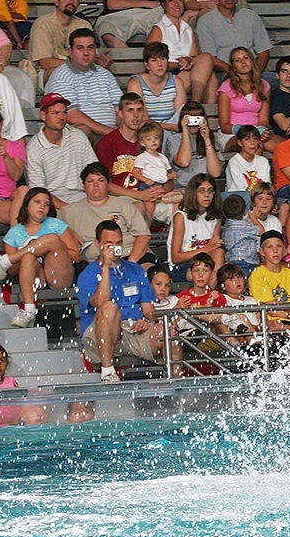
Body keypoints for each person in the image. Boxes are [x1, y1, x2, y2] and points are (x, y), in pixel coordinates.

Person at [76, 219, 177, 383]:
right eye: (108, 243)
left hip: (132, 330)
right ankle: (108, 371)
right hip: (99, 335)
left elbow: (148, 309)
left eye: (118, 243)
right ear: (98, 244)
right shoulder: (88, 274)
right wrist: (106, 267)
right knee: (109, 307)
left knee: (169, 332)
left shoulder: (135, 270)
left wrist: (145, 321)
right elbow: (101, 302)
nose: (114, 248)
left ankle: (177, 383)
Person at [0, 187, 79, 328]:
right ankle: (29, 310)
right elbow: (12, 271)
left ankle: (3, 262)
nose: (42, 206)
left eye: (46, 204)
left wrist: (48, 250)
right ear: (27, 205)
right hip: (34, 278)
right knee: (28, 256)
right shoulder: (14, 233)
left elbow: (76, 256)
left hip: (58, 275)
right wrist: (33, 253)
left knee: (52, 239)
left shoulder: (56, 224)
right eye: (37, 202)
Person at [59, 162, 154, 265]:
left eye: (101, 181)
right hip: (94, 263)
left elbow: (144, 236)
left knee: (148, 272)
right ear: (83, 186)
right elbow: (54, 231)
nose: (95, 185)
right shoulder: (69, 212)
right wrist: (69, 231)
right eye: (90, 181)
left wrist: (130, 265)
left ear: (108, 184)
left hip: (131, 256)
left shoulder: (125, 204)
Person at [43, 27, 122, 138]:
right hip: (86, 137)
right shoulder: (61, 76)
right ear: (70, 51)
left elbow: (120, 109)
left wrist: (124, 133)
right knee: (82, 130)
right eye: (80, 48)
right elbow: (72, 116)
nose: (86, 53)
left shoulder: (105, 74)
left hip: (111, 134)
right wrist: (112, 134)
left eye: (90, 48)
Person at [146, 0, 216, 104]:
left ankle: (201, 112)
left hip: (187, 73)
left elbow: (195, 56)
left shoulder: (187, 29)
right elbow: (152, 61)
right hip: (166, 76)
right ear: (163, 4)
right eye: (171, 0)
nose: (176, 4)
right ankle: (195, 107)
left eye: (179, 0)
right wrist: (178, 64)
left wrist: (188, 60)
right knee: (210, 78)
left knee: (208, 66)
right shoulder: (158, 29)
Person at [25, 92, 97, 209]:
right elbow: (38, 191)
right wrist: (69, 209)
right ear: (43, 116)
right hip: (51, 202)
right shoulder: (34, 147)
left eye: (64, 112)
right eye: (55, 113)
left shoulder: (78, 136)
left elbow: (93, 171)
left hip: (83, 197)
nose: (61, 117)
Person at [28, 0, 101, 84]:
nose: (71, 2)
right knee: (60, 73)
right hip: (47, 72)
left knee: (101, 72)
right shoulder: (43, 23)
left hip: (81, 69)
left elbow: (90, 55)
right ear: (56, 1)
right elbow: (45, 62)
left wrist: (100, 60)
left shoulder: (83, 24)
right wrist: (77, 65)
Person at [196, 0, 271, 75]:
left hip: (254, 72)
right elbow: (211, 59)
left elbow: (264, 51)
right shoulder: (205, 22)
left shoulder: (251, 16)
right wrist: (238, 74)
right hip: (225, 74)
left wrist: (255, 75)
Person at [247, 230, 290, 331]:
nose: (275, 250)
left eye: (279, 246)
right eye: (270, 247)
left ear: (284, 250)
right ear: (262, 252)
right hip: (274, 323)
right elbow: (269, 308)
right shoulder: (257, 275)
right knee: (276, 325)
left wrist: (287, 314)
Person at [167, 174, 224, 283]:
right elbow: (176, 257)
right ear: (194, 193)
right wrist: (205, 249)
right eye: (202, 191)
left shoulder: (215, 218)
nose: (207, 195)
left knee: (220, 256)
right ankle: (211, 295)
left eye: (210, 191)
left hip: (207, 264)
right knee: (205, 268)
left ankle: (212, 295)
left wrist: (211, 248)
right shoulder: (181, 216)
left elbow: (215, 250)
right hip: (183, 266)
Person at [216, 46, 270, 151]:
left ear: (252, 61)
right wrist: (248, 132)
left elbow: (263, 119)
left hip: (257, 132)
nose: (243, 62)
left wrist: (261, 130)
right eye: (237, 60)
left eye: (246, 58)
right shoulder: (226, 87)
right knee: (254, 145)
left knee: (286, 146)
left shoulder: (264, 85)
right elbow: (224, 126)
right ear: (234, 66)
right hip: (232, 134)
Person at [126, 41, 185, 131]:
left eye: (163, 59)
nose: (159, 64)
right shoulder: (136, 82)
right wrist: (171, 127)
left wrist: (172, 128)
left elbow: (179, 117)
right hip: (145, 133)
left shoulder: (176, 81)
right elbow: (142, 120)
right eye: (154, 60)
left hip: (172, 133)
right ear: (147, 65)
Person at [131, 121, 182, 224]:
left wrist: (171, 175)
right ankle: (147, 227)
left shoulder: (162, 157)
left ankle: (172, 225)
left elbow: (167, 172)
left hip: (162, 184)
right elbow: (135, 172)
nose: (153, 141)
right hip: (148, 185)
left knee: (179, 198)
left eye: (156, 138)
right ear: (142, 142)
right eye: (149, 139)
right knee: (150, 204)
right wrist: (145, 179)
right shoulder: (142, 157)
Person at [94, 92, 146, 193]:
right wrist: (140, 196)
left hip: (148, 194)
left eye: (139, 110)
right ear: (121, 114)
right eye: (130, 110)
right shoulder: (106, 144)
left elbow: (164, 175)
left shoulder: (149, 140)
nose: (136, 115)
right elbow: (104, 184)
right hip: (119, 199)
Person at [165, 101, 222, 187]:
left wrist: (206, 139)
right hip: (183, 187)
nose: (193, 123)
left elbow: (216, 173)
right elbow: (184, 162)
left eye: (197, 119)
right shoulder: (174, 139)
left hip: (205, 188)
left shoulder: (210, 138)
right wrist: (185, 130)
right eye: (190, 119)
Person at [95, 0, 163, 49]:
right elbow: (112, 4)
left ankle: (154, 57)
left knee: (166, 17)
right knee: (106, 29)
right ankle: (130, 59)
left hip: (148, 13)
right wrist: (147, 3)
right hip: (118, 15)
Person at [215, 263, 260, 345]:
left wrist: (253, 327)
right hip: (239, 336)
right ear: (223, 286)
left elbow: (261, 323)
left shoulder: (252, 300)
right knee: (243, 319)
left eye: (239, 277)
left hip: (256, 333)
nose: (237, 281)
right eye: (231, 279)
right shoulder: (223, 299)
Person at [221, 193, 261, 276]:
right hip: (248, 262)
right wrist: (254, 218)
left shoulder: (227, 225)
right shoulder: (246, 226)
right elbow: (261, 232)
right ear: (244, 212)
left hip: (232, 262)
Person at [224, 124, 270, 193]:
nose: (252, 143)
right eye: (247, 139)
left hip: (259, 198)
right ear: (239, 143)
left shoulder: (263, 161)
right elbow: (241, 189)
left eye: (255, 139)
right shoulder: (234, 162)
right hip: (239, 199)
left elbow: (266, 186)